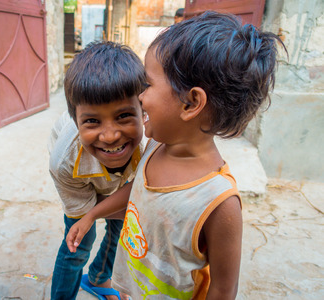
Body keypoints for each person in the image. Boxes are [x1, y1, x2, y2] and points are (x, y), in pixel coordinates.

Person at [66, 11, 286, 299]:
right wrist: (91, 215)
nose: (140, 98)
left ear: (191, 103)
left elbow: (223, 288)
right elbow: (138, 193)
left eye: (147, 86)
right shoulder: (157, 147)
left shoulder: (219, 202)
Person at [48, 41, 146, 300]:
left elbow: (133, 193)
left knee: (123, 228)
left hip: (123, 179)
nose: (111, 135)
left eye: (124, 116)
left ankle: (99, 278)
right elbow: (84, 216)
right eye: (92, 121)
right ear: (76, 120)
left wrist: (103, 213)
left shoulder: (152, 145)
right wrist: (89, 217)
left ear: (144, 111)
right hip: (80, 178)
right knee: (78, 245)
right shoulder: (65, 162)